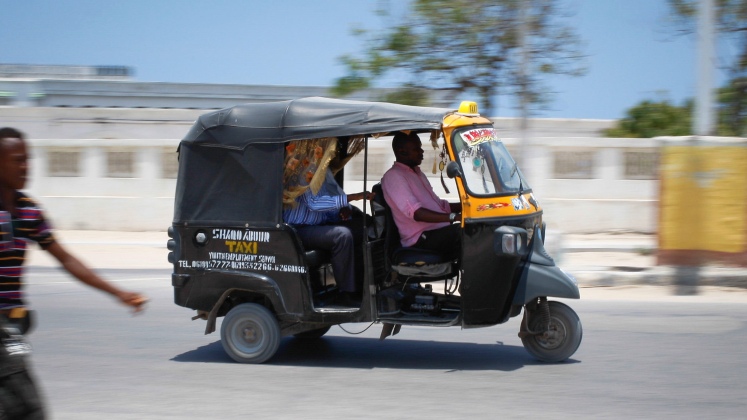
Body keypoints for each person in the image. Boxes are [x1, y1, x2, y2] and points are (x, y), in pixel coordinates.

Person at [0, 127, 147, 419]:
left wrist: (118, 293)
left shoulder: (28, 211)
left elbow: (66, 258)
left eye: (28, 159)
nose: (26, 166)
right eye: (18, 160)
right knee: (29, 410)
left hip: (12, 324)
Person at [283, 167, 374, 306]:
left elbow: (327, 208)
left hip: (317, 226)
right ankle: (346, 292)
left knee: (364, 226)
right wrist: (353, 197)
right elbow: (314, 203)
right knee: (342, 235)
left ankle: (364, 285)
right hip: (298, 230)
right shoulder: (301, 173)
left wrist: (341, 211)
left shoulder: (323, 174)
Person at [381, 131, 462, 261]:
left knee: (477, 227)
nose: (422, 151)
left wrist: (468, 207)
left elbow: (441, 206)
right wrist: (455, 217)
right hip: (421, 238)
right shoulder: (394, 176)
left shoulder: (418, 173)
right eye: (417, 149)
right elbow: (417, 213)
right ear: (402, 152)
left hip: (438, 232)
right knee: (467, 233)